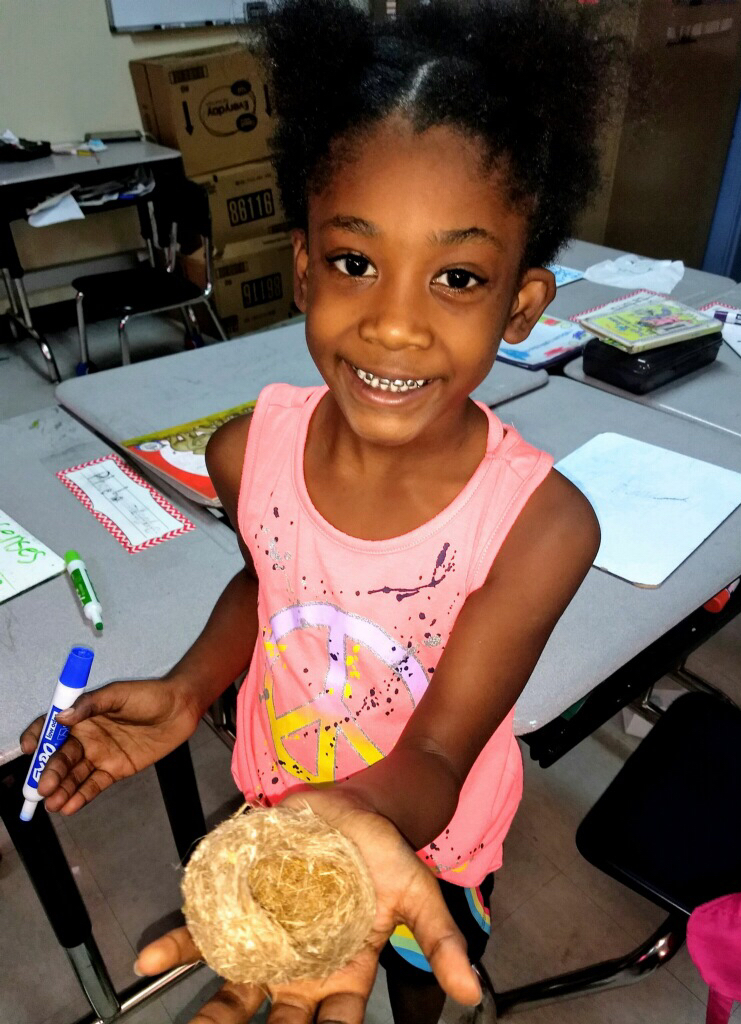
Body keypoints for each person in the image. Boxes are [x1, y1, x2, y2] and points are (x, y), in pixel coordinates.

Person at [21, 2, 627, 1021]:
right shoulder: (247, 452)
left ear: (522, 306)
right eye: (355, 262)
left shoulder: (541, 529)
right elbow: (267, 580)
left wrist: (346, 830)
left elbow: (439, 752)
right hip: (285, 795)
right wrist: (190, 688)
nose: (393, 322)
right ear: (304, 269)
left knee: (421, 963)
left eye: (457, 277)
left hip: (427, 836)